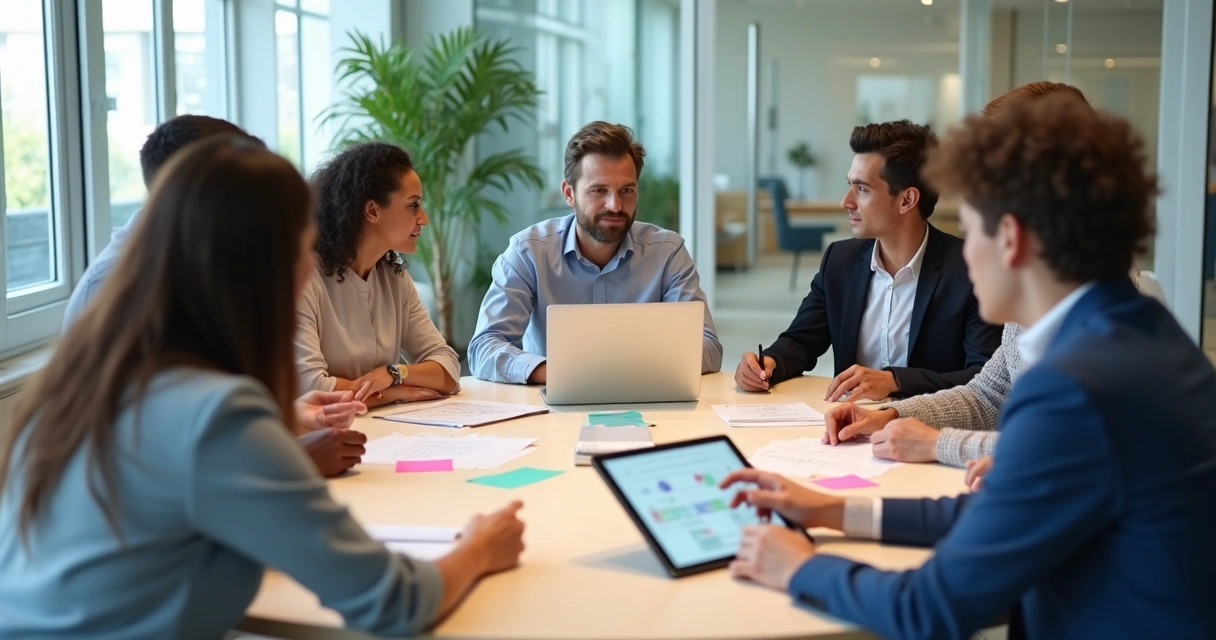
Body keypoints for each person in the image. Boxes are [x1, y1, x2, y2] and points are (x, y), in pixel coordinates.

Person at [718, 94, 1216, 638]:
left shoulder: (1076, 388)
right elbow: (997, 462)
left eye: (971, 228)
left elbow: (931, 608)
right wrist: (833, 511)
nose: (962, 253)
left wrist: (800, 566)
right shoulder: (1138, 330)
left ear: (1012, 240)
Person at [0, 136, 526, 638]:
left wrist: (285, 424)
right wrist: (480, 546)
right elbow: (393, 601)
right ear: (264, 264)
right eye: (303, 244)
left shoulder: (86, 379)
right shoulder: (217, 415)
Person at [821, 82, 1162, 469]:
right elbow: (989, 395)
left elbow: (1061, 449)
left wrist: (937, 443)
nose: (966, 249)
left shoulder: (1101, 326)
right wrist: (893, 415)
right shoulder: (1045, 294)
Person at [62, 114, 367, 477]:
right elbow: (148, 462)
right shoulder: (119, 288)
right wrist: (289, 458)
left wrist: (293, 415)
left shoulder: (197, 272)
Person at [735, 121, 1000, 402]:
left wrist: (895, 380)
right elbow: (800, 341)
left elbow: (984, 377)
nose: (846, 201)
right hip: (847, 429)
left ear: (907, 200)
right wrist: (768, 364)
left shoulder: (971, 269)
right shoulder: (840, 261)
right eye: (850, 185)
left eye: (862, 189)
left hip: (929, 431)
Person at [468, 121, 722, 384]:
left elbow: (709, 348)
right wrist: (563, 373)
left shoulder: (668, 253)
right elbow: (484, 348)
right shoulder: (528, 252)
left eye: (626, 190)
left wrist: (617, 372)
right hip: (552, 406)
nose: (615, 205)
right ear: (569, 193)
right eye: (599, 190)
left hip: (647, 400)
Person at [295, 141, 460, 408]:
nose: (424, 218)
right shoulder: (303, 277)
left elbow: (448, 368)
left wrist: (394, 374)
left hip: (380, 430)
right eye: (413, 205)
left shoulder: (394, 276)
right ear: (372, 211)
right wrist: (395, 393)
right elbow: (311, 386)